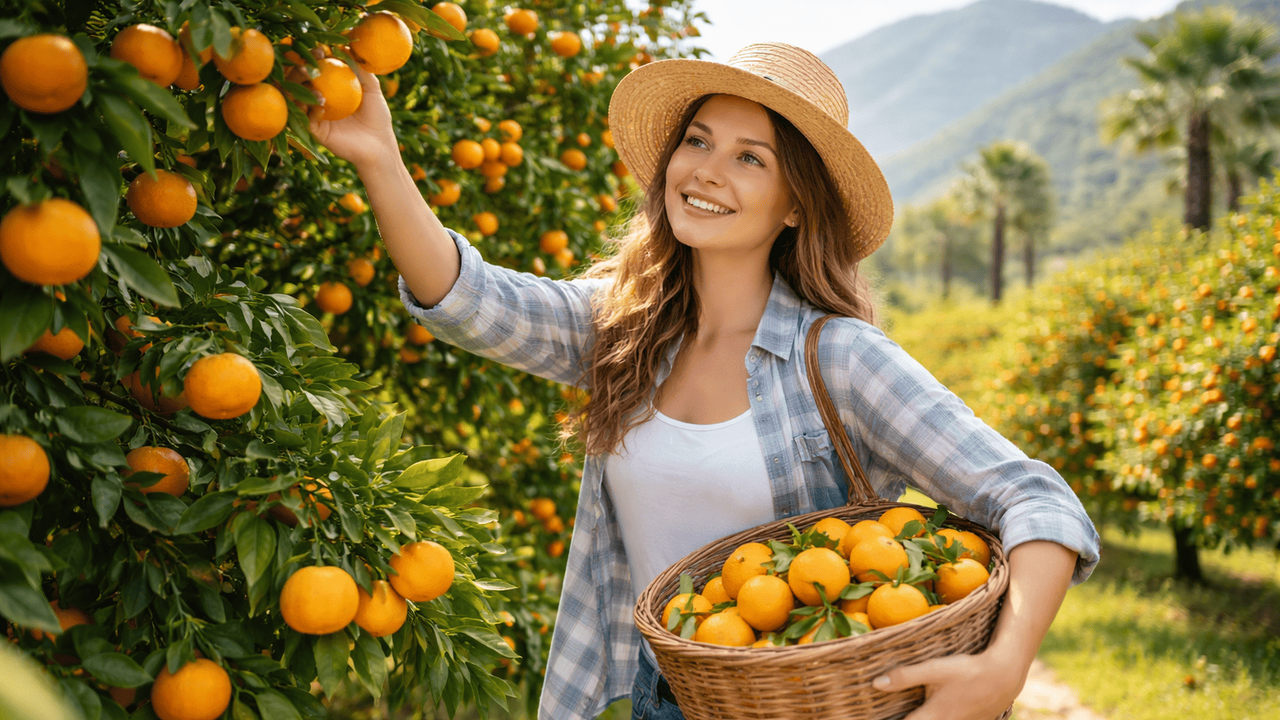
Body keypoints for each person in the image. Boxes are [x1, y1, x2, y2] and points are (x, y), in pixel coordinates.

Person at [311, 42, 1100, 720]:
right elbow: (469, 300)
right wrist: (380, 157)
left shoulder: (840, 358)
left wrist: (1004, 667)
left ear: (795, 206)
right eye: (698, 140)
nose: (707, 171)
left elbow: (1036, 499)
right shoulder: (624, 332)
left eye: (750, 158)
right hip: (663, 698)